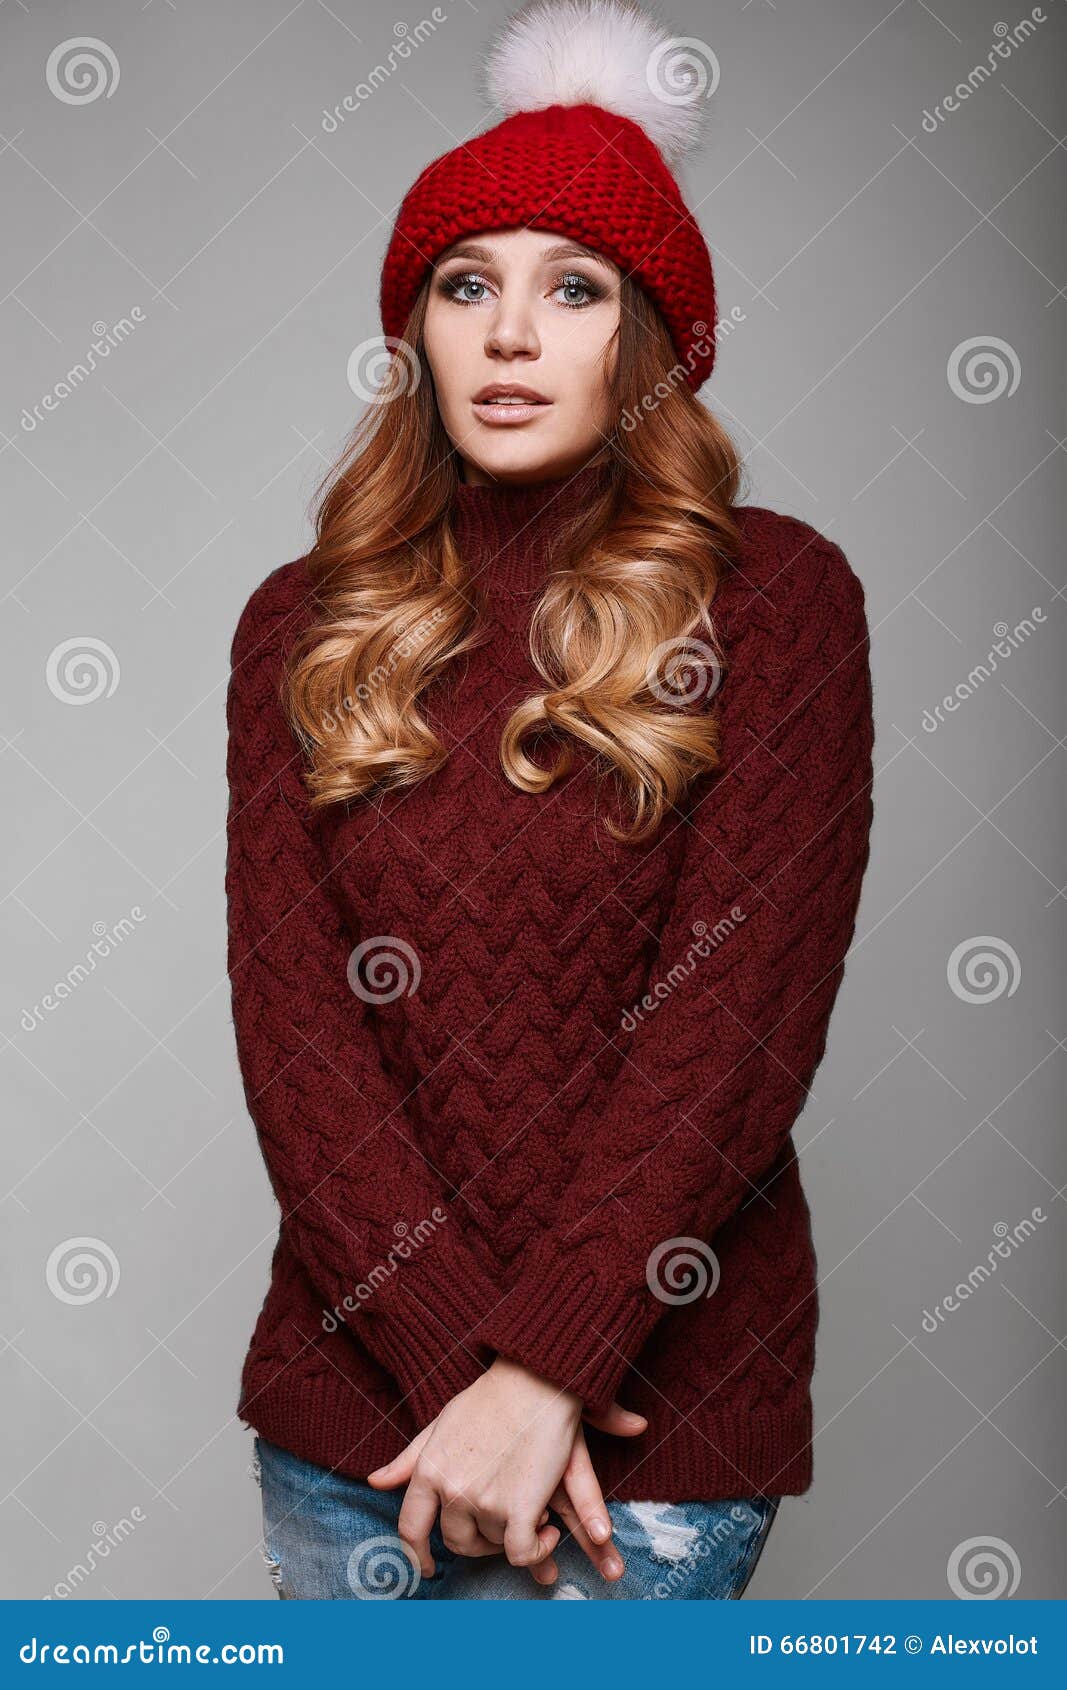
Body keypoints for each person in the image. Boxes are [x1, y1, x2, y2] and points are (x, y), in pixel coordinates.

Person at [225, 0, 875, 1600]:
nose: (512, 336)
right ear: (420, 328)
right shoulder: (299, 623)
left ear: (648, 337)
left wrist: (545, 1371)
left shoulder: (776, 598)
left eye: (572, 289)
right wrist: (467, 1372)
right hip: (362, 1424)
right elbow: (299, 1036)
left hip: (651, 1432)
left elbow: (739, 1022)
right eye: (468, 286)